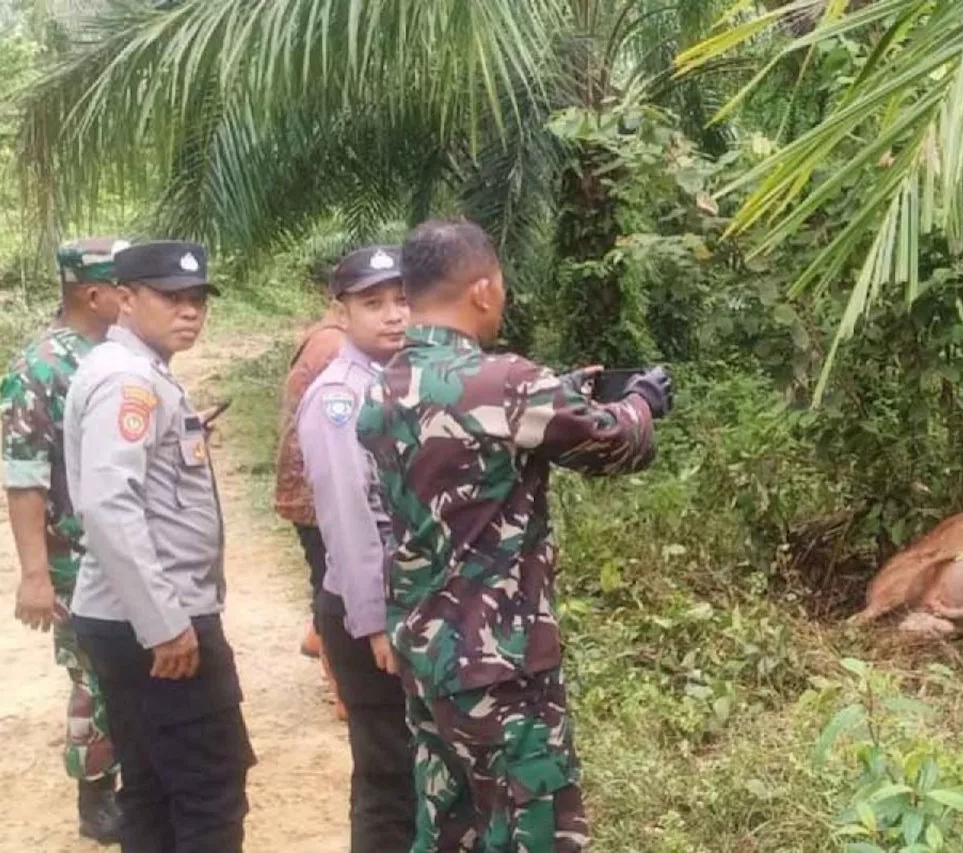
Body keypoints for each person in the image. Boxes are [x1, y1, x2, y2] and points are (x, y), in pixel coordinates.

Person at [356, 219, 674, 852]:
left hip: (427, 654)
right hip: (500, 660)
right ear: (481, 290)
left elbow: (483, 433)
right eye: (499, 285)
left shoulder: (384, 384)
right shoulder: (504, 383)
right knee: (534, 827)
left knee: (452, 823)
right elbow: (616, 445)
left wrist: (566, 393)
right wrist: (642, 400)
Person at [64, 240, 256, 853]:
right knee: (208, 788)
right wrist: (165, 623)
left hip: (130, 616)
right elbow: (107, 503)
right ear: (124, 299)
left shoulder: (139, 374)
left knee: (151, 787)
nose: (190, 311)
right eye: (171, 297)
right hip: (156, 623)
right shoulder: (128, 382)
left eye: (197, 299)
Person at [0, 237, 127, 844]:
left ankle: (129, 779)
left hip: (114, 550)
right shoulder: (41, 367)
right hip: (73, 559)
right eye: (123, 287)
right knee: (93, 675)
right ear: (92, 294)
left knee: (122, 669)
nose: (134, 297)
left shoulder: (109, 352)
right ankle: (96, 799)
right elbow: (23, 477)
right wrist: (34, 574)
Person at [296, 245, 415, 851]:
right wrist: (376, 623)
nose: (394, 315)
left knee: (409, 769)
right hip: (368, 613)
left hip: (402, 606)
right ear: (340, 310)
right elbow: (347, 518)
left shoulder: (394, 382)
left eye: (402, 300)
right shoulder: (340, 398)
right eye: (374, 303)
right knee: (389, 774)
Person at [272, 293, 348, 717]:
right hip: (317, 490)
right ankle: (343, 687)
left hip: (305, 486)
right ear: (342, 304)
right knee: (334, 580)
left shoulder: (322, 337)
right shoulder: (336, 347)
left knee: (325, 574)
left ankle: (319, 637)